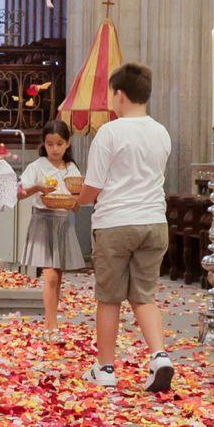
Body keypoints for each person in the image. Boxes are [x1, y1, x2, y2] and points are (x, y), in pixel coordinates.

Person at [72, 63, 175, 392]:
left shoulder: (110, 132)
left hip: (116, 223)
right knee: (144, 296)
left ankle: (105, 368)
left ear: (119, 94)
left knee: (109, 298)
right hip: (154, 222)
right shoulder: (161, 132)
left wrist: (75, 201)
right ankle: (159, 356)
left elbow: (93, 186)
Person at [16, 120, 86, 334]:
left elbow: (76, 202)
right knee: (51, 275)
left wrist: (76, 201)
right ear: (44, 144)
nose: (55, 149)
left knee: (58, 275)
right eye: (50, 144)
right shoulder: (37, 166)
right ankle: (51, 324)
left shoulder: (71, 168)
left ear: (68, 144)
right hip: (43, 220)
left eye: (59, 144)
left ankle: (51, 319)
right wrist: (38, 187)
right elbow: (19, 193)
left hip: (62, 221)